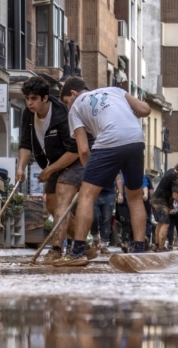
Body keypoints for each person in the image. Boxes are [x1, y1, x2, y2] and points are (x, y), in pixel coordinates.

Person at [56, 77, 152, 267]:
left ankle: (78, 251)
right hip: (135, 138)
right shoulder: (116, 91)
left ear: (73, 94)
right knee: (134, 196)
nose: (68, 106)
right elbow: (145, 110)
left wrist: (89, 173)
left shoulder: (76, 108)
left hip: (109, 139)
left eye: (67, 102)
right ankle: (138, 250)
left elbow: (83, 150)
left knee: (86, 195)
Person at [15, 76, 95, 262]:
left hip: (76, 158)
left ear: (45, 98)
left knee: (62, 197)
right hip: (54, 162)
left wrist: (50, 171)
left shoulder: (62, 114)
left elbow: (75, 150)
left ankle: (56, 249)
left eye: (33, 98)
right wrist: (20, 168)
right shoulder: (28, 114)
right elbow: (26, 144)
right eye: (27, 98)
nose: (29, 103)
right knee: (52, 204)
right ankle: (84, 245)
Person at [152, 159, 178, 251]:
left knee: (160, 223)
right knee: (165, 224)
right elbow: (175, 195)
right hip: (162, 201)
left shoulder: (170, 171)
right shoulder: (175, 178)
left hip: (155, 199)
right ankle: (161, 247)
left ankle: (156, 245)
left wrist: (170, 206)